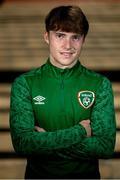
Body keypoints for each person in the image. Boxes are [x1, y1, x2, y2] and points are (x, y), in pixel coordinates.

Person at [9, 5, 116, 179]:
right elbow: (23, 143)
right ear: (46, 37)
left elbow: (105, 147)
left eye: (76, 37)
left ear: (84, 39)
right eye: (60, 36)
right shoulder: (25, 84)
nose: (68, 45)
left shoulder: (100, 84)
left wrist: (46, 141)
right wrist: (80, 132)